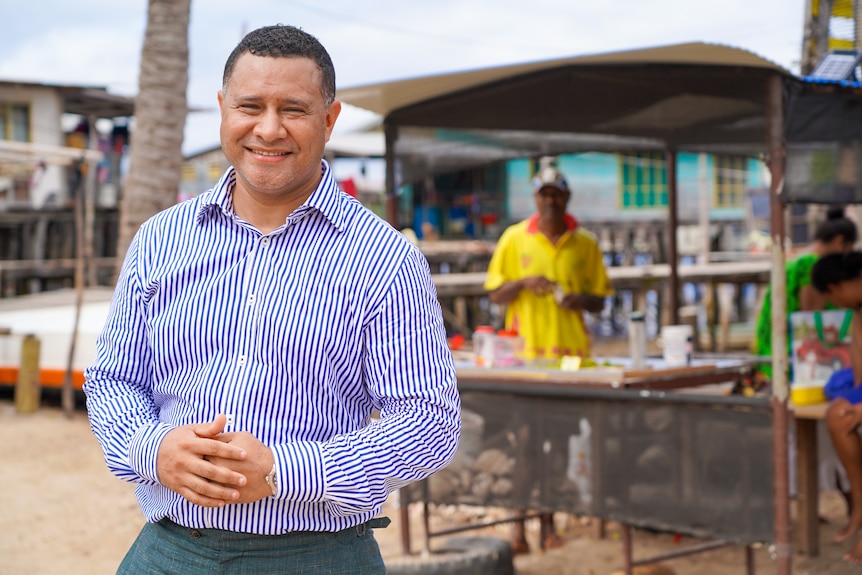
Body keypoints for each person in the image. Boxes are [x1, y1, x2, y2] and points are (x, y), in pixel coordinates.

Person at [84, 25, 461, 575]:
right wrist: (154, 450)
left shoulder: (384, 259)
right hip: (167, 551)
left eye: (293, 109)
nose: (268, 128)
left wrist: (288, 470)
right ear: (221, 110)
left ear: (329, 120)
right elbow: (113, 379)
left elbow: (429, 424)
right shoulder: (159, 240)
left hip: (318, 556)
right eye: (250, 106)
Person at [484, 159, 613, 552]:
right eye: (545, 194)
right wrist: (524, 283)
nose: (551, 200)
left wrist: (579, 299)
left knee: (556, 448)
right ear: (536, 198)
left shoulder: (585, 244)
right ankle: (519, 530)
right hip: (524, 360)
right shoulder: (514, 238)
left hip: (570, 361)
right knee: (525, 445)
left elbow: (601, 301)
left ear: (567, 197)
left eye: (557, 193)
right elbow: (494, 293)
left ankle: (550, 526)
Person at [753, 206, 858, 383]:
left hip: (772, 350)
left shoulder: (800, 258)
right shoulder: (811, 265)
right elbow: (812, 319)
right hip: (790, 357)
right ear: (840, 242)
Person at [812, 251, 862, 564]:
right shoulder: (858, 312)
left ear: (838, 286)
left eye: (831, 297)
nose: (833, 305)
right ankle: (860, 503)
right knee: (838, 415)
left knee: (844, 415)